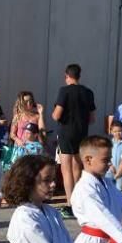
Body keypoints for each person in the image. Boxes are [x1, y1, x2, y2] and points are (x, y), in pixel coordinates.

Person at [52, 64, 97, 218]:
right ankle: (79, 201)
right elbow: (92, 118)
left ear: (67, 76)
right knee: (78, 166)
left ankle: (71, 203)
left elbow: (57, 115)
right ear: (79, 75)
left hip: (66, 132)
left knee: (66, 169)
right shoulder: (88, 92)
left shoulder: (64, 91)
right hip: (82, 132)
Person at [108, 120, 122, 191]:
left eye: (120, 131)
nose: (117, 133)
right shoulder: (109, 143)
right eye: (115, 131)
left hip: (121, 172)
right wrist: (110, 165)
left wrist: (120, 170)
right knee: (109, 188)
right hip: (109, 170)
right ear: (111, 131)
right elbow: (106, 155)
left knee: (119, 189)